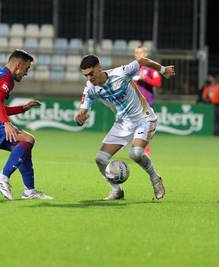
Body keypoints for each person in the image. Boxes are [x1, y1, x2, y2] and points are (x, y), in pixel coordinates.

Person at [75, 54, 175, 200]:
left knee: (135, 154)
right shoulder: (90, 89)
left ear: (100, 68)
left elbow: (141, 61)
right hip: (123, 123)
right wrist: (80, 118)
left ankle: (155, 178)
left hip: (144, 118)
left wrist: (163, 69)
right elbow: (82, 111)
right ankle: (117, 190)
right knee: (100, 159)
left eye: (91, 74)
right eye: (86, 75)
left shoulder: (121, 73)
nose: (89, 78)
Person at [0, 49, 53, 200]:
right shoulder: (7, 79)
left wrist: (22, 108)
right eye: (27, 68)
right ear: (18, 65)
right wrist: (6, 123)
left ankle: (29, 191)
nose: (26, 73)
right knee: (28, 140)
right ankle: (2, 178)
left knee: (21, 148)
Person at [133, 45, 162, 156]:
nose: (139, 55)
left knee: (145, 127)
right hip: (133, 104)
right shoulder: (132, 68)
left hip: (147, 104)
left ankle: (145, 150)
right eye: (137, 53)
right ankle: (139, 148)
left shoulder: (151, 68)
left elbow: (158, 83)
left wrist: (146, 79)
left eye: (141, 52)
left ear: (145, 54)